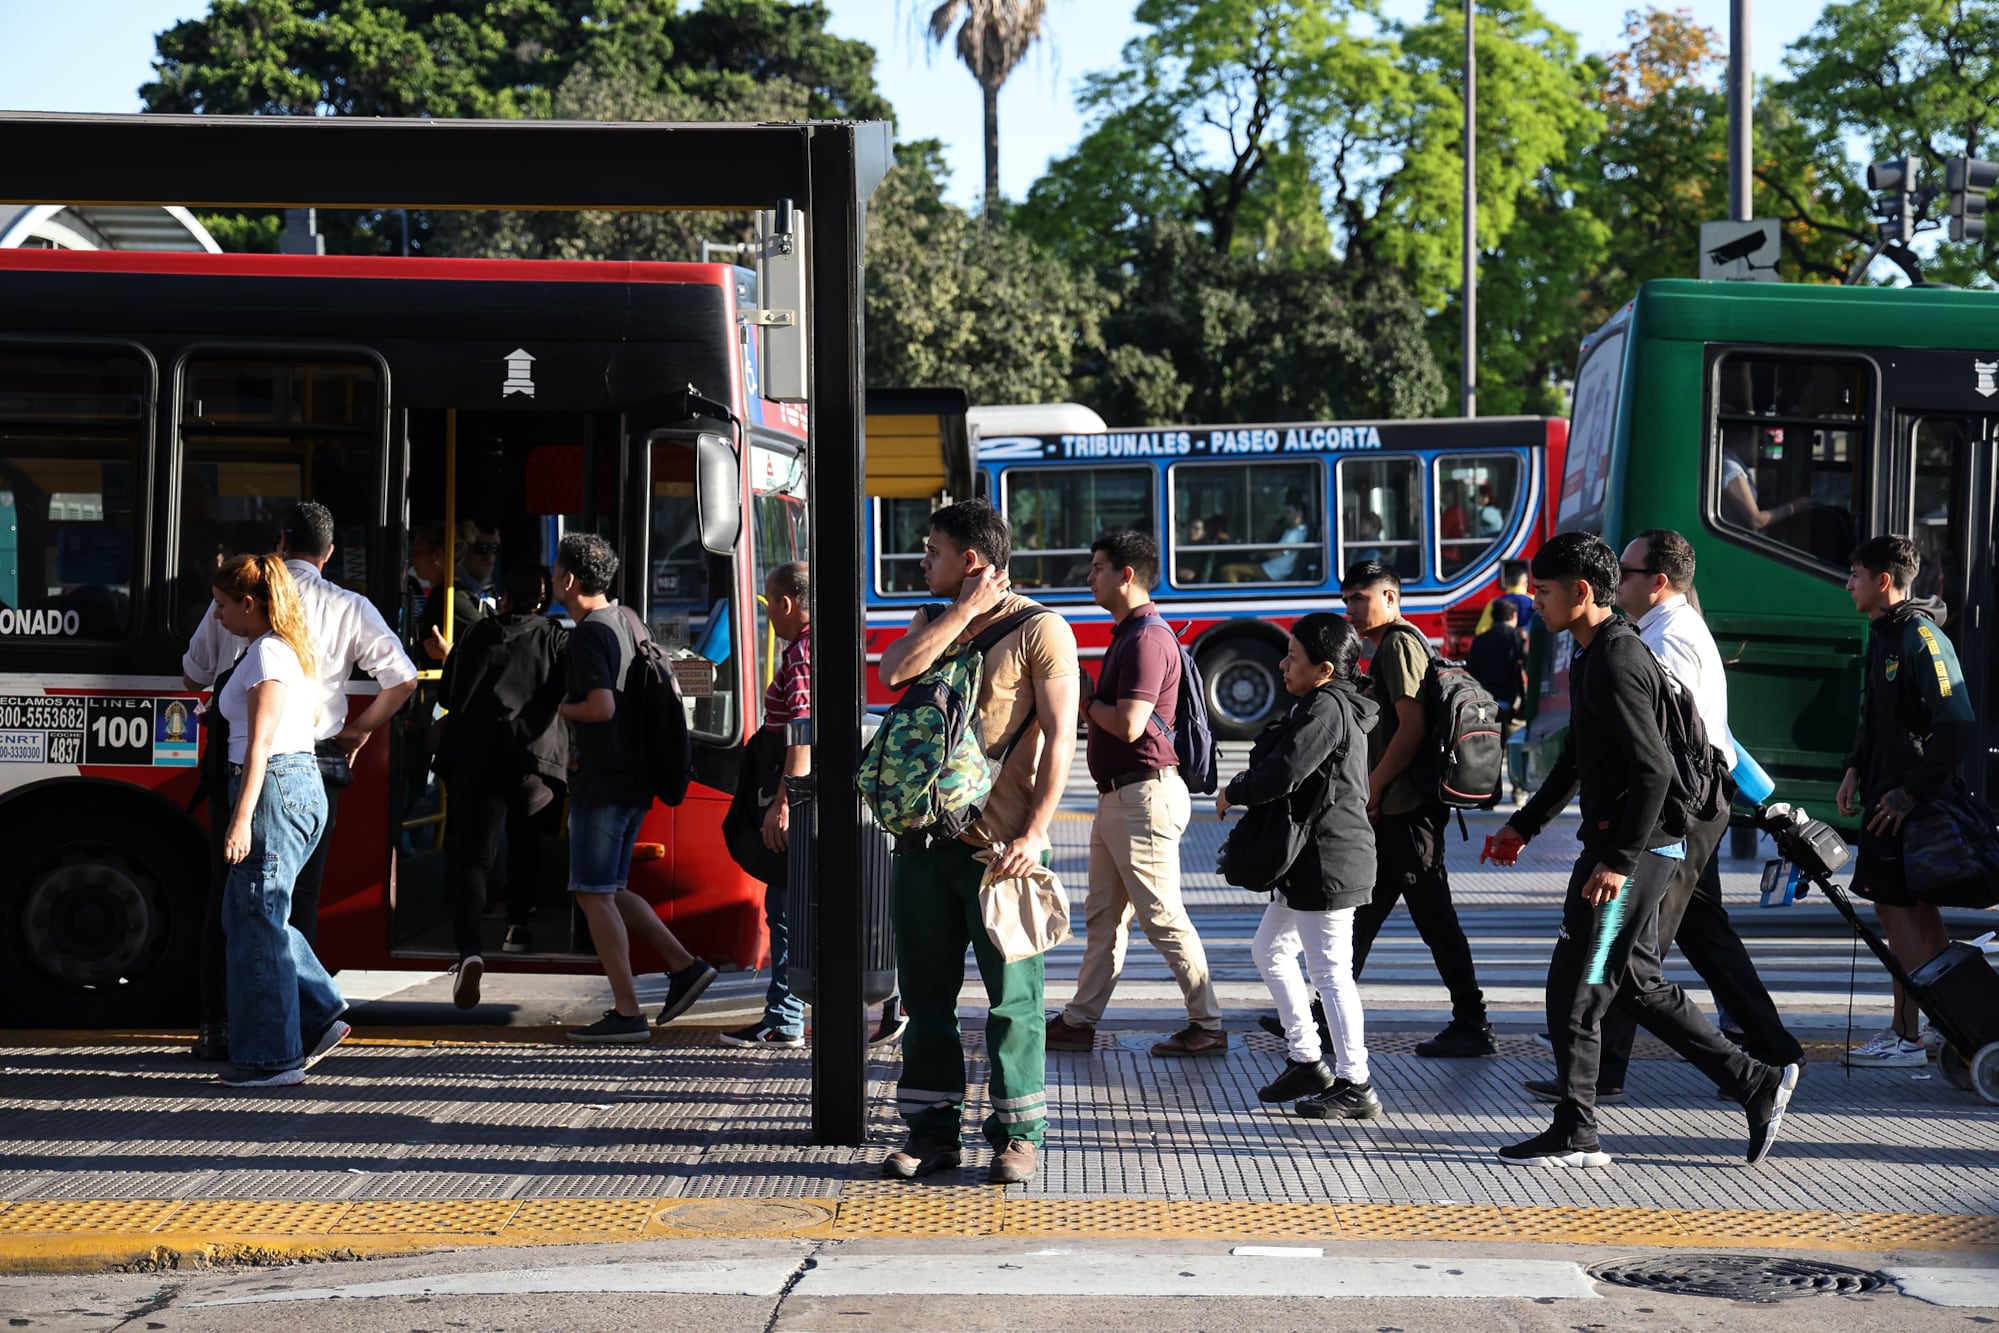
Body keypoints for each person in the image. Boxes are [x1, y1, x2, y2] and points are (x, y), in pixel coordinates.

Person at [1486, 532, 1800, 1168]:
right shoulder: (1590, 653)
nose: (1532, 603)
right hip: (1631, 846)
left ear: (1579, 592)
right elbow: (1578, 754)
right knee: (1628, 980)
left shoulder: (1620, 659)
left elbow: (1654, 771)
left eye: (1542, 593)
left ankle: (1578, 1132)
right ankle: (1752, 1079)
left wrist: (1618, 860)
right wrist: (1524, 823)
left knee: (1578, 985)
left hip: (1641, 849)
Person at [876, 498, 1079, 1186]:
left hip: (1002, 851)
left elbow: (1059, 737)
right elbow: (894, 672)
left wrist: (1035, 831)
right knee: (925, 999)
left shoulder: (1042, 629)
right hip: (922, 843)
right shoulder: (936, 620)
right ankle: (932, 1133)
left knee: (1011, 1002)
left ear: (970, 559)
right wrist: (959, 615)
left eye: (931, 551)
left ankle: (1016, 1136)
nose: (921, 562)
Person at [182, 502, 419, 1060]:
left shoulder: (249, 610)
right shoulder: (348, 605)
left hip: (257, 764)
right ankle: (301, 1019)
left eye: (223, 608)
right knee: (292, 904)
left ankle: (234, 1028)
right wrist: (357, 733)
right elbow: (403, 680)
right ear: (330, 552)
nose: (219, 614)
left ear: (281, 541)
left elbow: (193, 671)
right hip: (317, 761)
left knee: (238, 899)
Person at [1047, 530, 1223, 1059]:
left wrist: (1083, 701)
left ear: (1127, 575)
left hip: (1143, 797)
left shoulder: (1146, 638)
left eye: (1098, 567)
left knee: (1162, 916)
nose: (1090, 576)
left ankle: (1208, 1023)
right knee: (1104, 914)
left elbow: (1129, 724)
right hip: (1120, 797)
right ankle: (1079, 1020)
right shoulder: (1129, 632)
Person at [551, 532, 717, 1043]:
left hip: (603, 780)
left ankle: (626, 1012)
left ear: (571, 579)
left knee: (593, 894)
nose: (552, 578)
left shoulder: (586, 635)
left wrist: (558, 709)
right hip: (637, 780)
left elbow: (600, 706)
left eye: (556, 571)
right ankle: (683, 966)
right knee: (613, 888)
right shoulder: (628, 619)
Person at [1221, 612, 1383, 1120]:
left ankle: (1356, 1082)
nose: (1282, 664)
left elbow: (1285, 771)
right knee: (1269, 949)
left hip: (1330, 861)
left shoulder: (1327, 709)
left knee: (1331, 974)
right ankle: (1307, 1058)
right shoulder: (1321, 704)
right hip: (1309, 858)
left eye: (1293, 658)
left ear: (1326, 669)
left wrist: (1234, 791)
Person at [1339, 561, 1496, 1058]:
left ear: (1390, 597)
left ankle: (1473, 1022)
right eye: (1346, 601)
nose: (1352, 610)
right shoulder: (1388, 646)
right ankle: (1323, 1016)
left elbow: (1410, 727)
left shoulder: (1399, 644)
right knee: (1361, 911)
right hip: (1401, 808)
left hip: (1408, 810)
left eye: (1360, 598)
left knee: (1435, 918)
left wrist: (1375, 789)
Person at [206, 555, 349, 1089]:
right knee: (258, 915)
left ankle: (272, 1057)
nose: (216, 616)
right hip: (294, 784)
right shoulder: (282, 651)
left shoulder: (266, 654)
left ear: (250, 604)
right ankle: (318, 1010)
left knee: (256, 918)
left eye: (222, 606)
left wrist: (240, 820)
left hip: (270, 788)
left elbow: (261, 746)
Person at [1839, 533, 1973, 1068]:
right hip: (1885, 798)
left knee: (1901, 918)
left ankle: (1907, 1035)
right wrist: (1854, 768)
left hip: (1908, 807)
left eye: (1855, 575)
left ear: (1883, 581)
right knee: (1915, 916)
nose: (1848, 584)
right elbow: (1879, 716)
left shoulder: (1920, 637)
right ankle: (1948, 1029)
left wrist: (1909, 793)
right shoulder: (1885, 633)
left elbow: (1957, 726)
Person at [435, 561, 569, 999]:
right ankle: (517, 926)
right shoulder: (555, 638)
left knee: (474, 858)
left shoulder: (475, 635)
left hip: (474, 758)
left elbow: (447, 696)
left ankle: (470, 949)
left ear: (503, 596)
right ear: (543, 597)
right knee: (526, 842)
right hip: (534, 762)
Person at [1720, 436, 1810, 532]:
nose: (1760, 449)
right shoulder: (1730, 468)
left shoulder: (1731, 463)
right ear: (1744, 438)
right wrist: (1795, 507)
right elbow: (1756, 520)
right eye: (1759, 443)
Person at [1466, 596, 1527, 727]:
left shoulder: (1480, 639)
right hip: (1507, 698)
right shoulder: (1517, 636)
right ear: (1513, 616)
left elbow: (1470, 670)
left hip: (1483, 699)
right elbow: (1525, 665)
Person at [1223, 497, 1310, 583]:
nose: (1285, 515)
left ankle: (1239, 597)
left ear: (1299, 513)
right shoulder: (1290, 530)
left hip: (1274, 572)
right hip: (1269, 567)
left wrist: (1259, 554)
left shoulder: (1297, 534)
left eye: (1289, 512)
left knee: (1228, 570)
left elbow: (1277, 553)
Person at [1473, 560, 1533, 637]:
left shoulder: (1494, 603)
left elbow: (1481, 631)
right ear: (1526, 582)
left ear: (1506, 582)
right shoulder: (1534, 601)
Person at [458, 521, 503, 612]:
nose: (490, 556)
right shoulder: (454, 590)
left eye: (494, 548)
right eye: (482, 548)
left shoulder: (491, 590)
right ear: (464, 549)